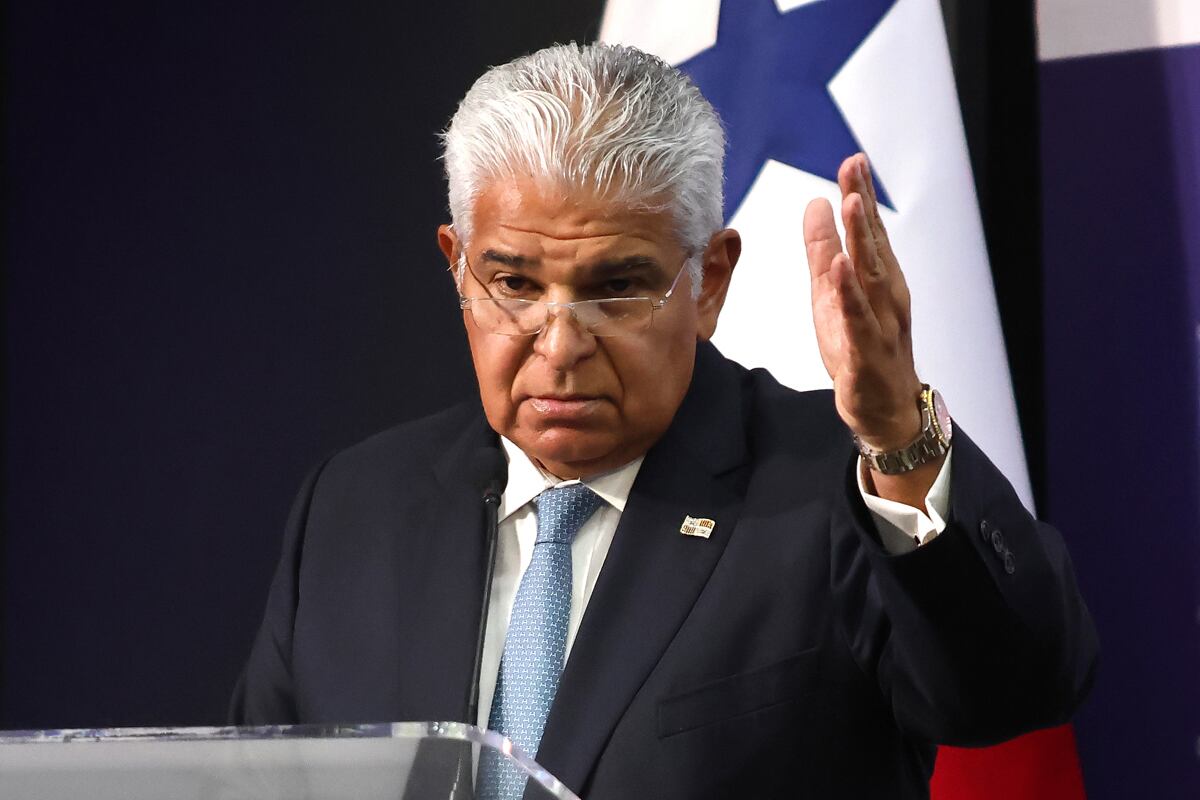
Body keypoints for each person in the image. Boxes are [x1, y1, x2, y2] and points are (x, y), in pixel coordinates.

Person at [232, 43, 1097, 799]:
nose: (560, 345)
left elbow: (1015, 692)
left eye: (615, 287)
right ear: (458, 265)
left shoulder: (834, 496)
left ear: (709, 281)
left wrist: (900, 433)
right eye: (516, 285)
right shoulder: (353, 509)